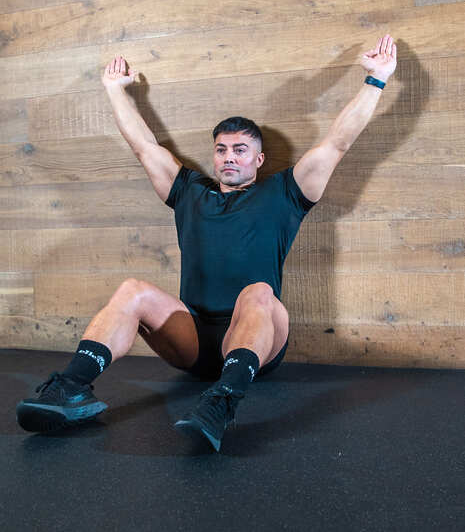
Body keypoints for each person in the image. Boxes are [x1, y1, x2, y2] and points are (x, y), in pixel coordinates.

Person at [16, 35, 397, 451]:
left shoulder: (285, 194)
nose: (229, 156)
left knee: (259, 293)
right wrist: (114, 90)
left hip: (257, 342)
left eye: (240, 149)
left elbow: (336, 144)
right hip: (193, 341)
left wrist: (375, 80)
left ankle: (222, 401)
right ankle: (70, 388)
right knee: (131, 291)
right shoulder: (189, 192)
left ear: (258, 159)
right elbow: (143, 146)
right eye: (221, 149)